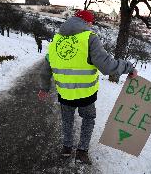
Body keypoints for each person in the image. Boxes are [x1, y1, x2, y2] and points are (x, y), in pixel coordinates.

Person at [38, 10, 137, 165]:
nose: (91, 26)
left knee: (67, 120)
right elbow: (107, 66)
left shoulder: (55, 40)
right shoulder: (90, 38)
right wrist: (129, 67)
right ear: (88, 23)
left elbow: (46, 68)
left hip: (64, 93)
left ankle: (66, 148)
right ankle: (82, 152)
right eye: (91, 23)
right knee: (88, 119)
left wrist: (44, 88)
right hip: (86, 94)